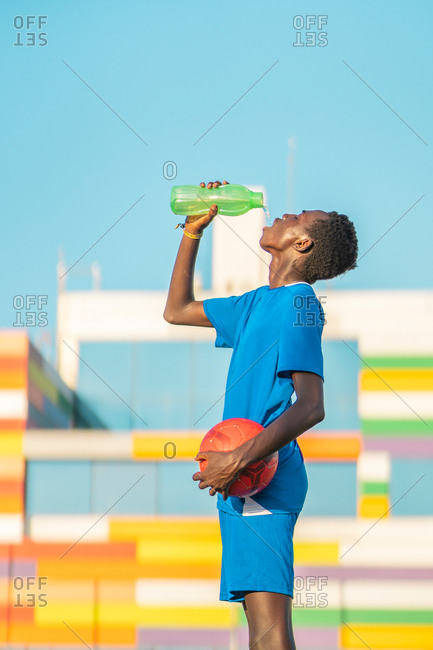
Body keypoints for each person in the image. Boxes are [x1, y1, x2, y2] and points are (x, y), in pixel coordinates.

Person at [164, 180, 358, 649]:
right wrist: (193, 232)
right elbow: (177, 310)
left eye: (298, 216)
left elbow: (312, 405)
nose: (284, 214)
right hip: (244, 473)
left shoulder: (301, 303)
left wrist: (241, 459)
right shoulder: (259, 301)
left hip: (261, 473)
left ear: (302, 243)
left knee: (268, 634)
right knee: (261, 633)